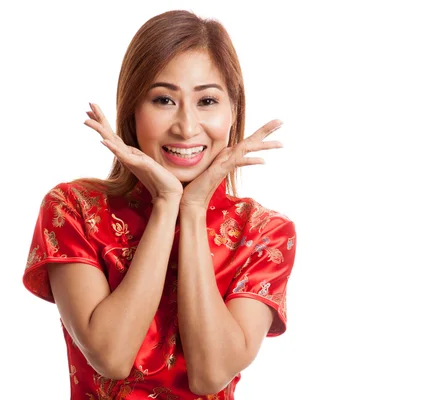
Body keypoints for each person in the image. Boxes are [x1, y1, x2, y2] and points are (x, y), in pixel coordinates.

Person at [23, 9, 297, 399]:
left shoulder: (264, 232)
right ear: (132, 111)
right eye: (164, 99)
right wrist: (168, 202)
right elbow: (110, 356)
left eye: (207, 101)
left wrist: (194, 207)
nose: (186, 127)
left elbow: (210, 376)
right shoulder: (73, 208)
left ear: (233, 112)